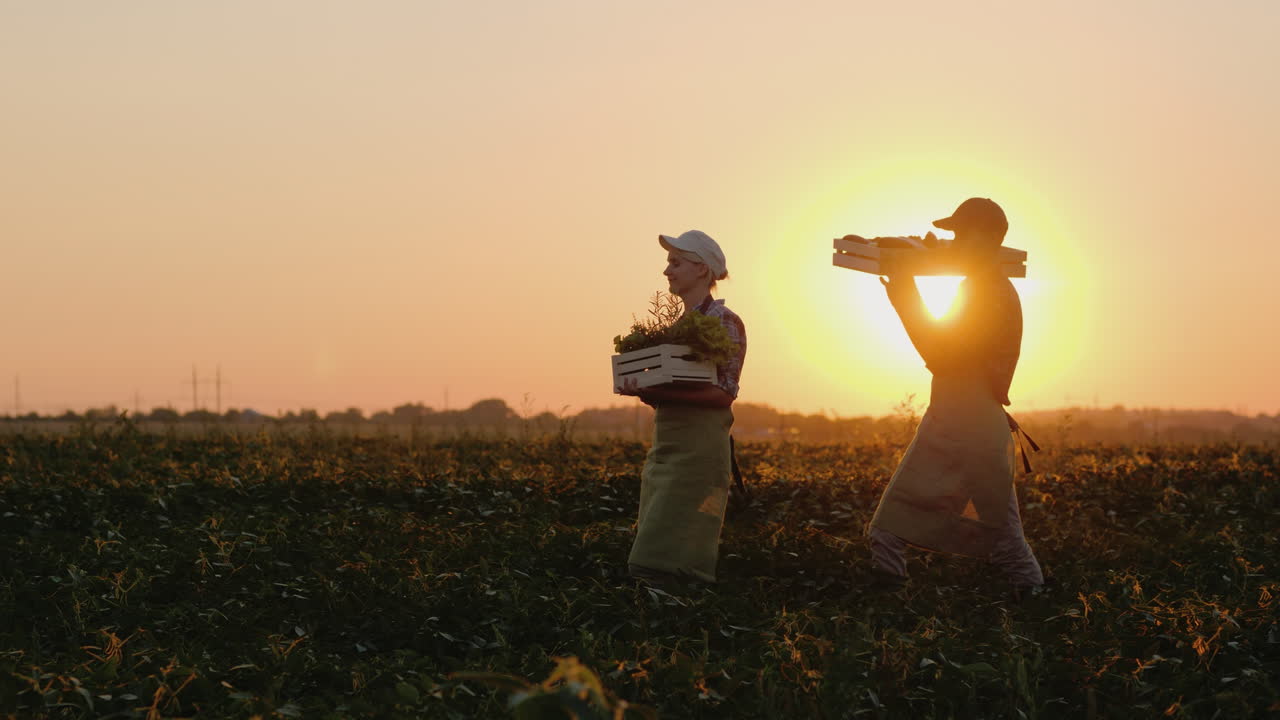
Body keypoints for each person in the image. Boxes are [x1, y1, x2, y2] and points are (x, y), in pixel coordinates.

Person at [866, 198, 1044, 594]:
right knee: (892, 525)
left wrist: (905, 294)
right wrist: (903, 291)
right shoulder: (985, 287)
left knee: (1000, 535)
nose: (952, 241)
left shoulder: (988, 292)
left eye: (959, 234)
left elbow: (942, 354)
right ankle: (888, 599)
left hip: (968, 420)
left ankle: (1035, 606)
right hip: (958, 415)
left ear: (981, 238)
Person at [616, 230, 747, 586]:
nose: (667, 271)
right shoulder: (675, 330)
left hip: (698, 454)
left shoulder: (724, 322)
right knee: (656, 544)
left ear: (701, 269)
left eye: (676, 262)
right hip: (666, 449)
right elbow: (671, 392)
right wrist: (645, 391)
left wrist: (659, 393)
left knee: (667, 557)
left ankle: (680, 626)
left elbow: (723, 394)